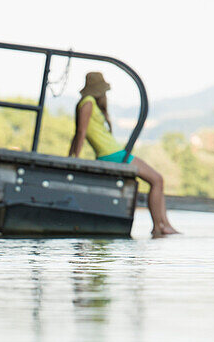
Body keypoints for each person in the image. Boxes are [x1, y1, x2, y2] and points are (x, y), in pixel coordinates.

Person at [69, 71, 178, 238]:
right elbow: (81, 132)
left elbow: (79, 133)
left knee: (157, 180)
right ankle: (159, 226)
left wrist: (72, 155)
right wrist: (73, 158)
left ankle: (164, 224)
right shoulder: (88, 103)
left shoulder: (88, 103)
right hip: (111, 154)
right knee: (157, 179)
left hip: (114, 152)